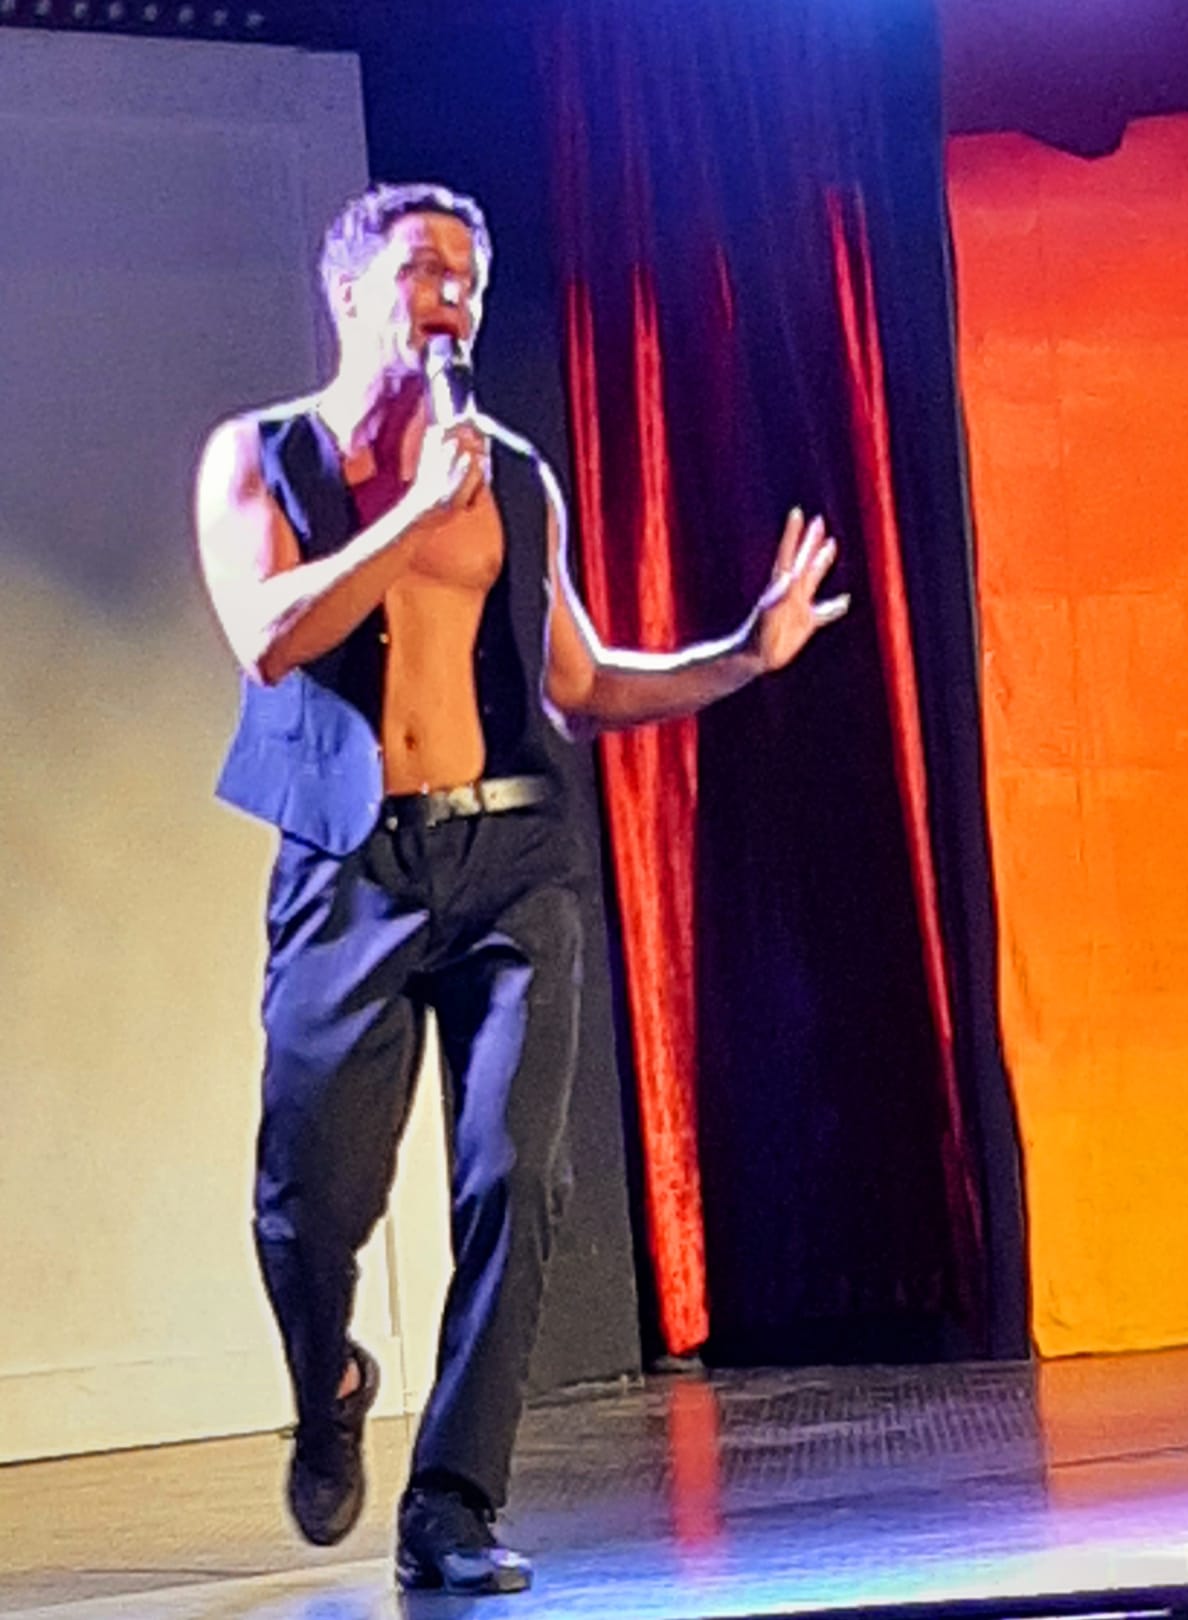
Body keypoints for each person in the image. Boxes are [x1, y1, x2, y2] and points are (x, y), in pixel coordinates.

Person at [194, 181, 847, 1596]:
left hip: (514, 864)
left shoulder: (511, 475)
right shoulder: (259, 455)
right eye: (424, 270)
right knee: (307, 1206)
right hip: (350, 870)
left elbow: (581, 683)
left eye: (470, 278)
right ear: (349, 291)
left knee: (515, 1177)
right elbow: (268, 636)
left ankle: (451, 1502)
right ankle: (328, 1382)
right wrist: (409, 518)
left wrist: (743, 652)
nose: (453, 299)